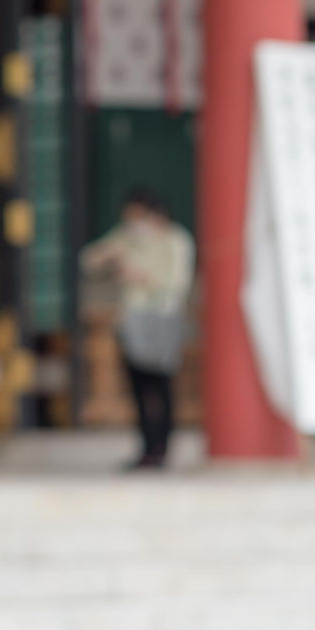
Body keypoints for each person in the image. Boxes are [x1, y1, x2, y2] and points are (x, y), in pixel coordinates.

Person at [80, 185, 196, 471]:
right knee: (139, 388)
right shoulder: (127, 238)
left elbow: (176, 284)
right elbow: (89, 261)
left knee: (161, 388)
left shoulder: (176, 241)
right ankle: (145, 450)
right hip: (132, 322)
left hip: (161, 319)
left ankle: (162, 450)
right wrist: (112, 252)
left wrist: (141, 276)